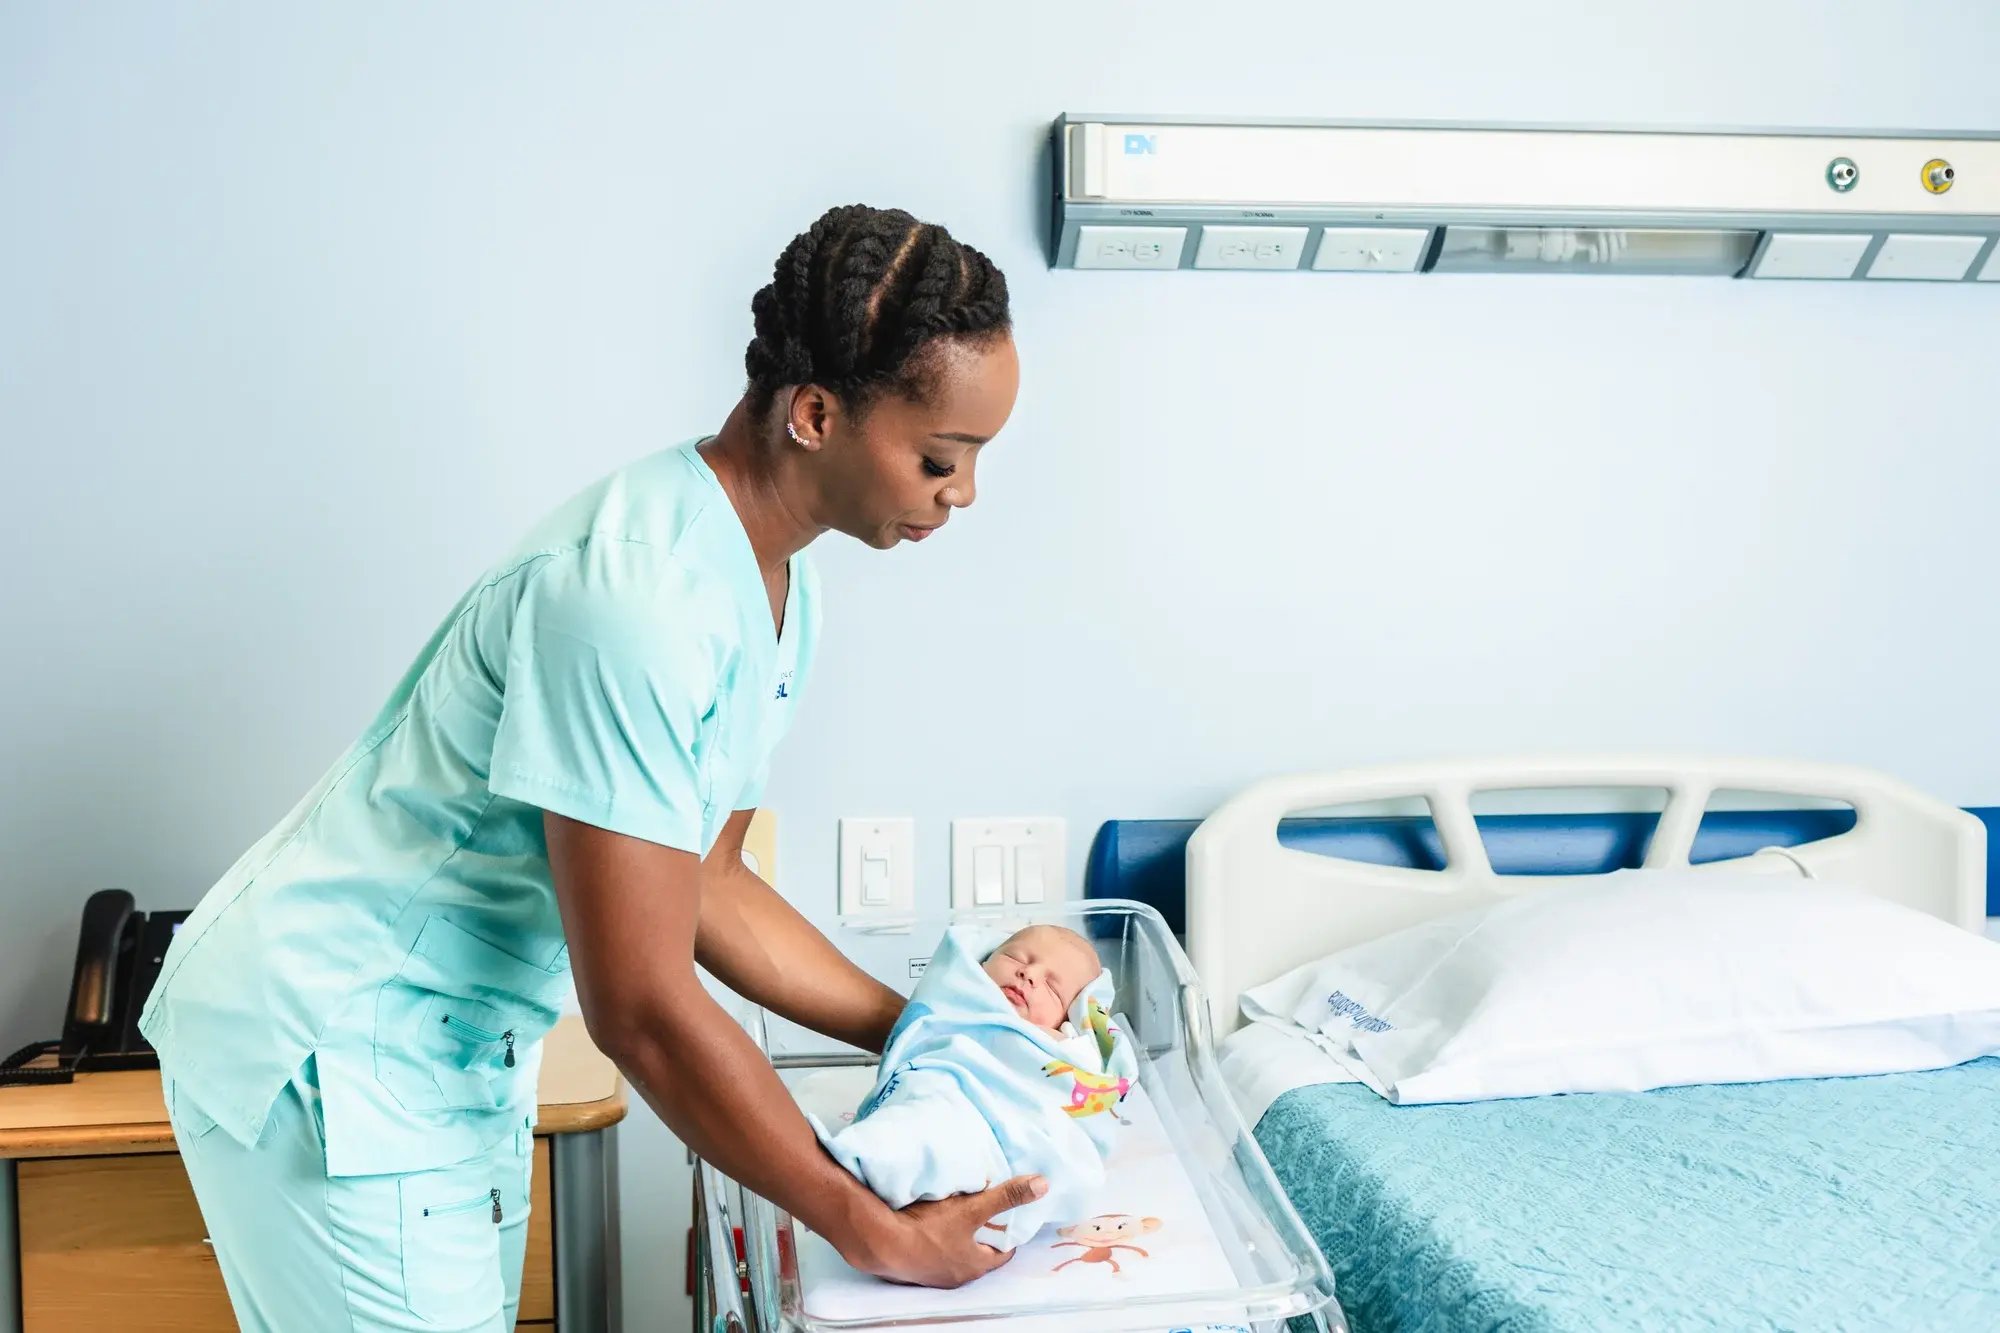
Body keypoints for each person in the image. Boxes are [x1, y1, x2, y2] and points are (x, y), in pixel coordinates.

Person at [137, 203, 1029, 1332]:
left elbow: (706, 880)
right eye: (940, 457)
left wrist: (931, 1028)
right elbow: (643, 1006)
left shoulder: (777, 586)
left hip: (447, 1055)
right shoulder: (634, 600)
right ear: (815, 413)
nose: (962, 494)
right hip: (336, 1045)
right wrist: (870, 1225)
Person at [813, 924, 1139, 1251]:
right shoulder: (954, 1001)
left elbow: (1084, 1091)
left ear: (1071, 1017)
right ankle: (864, 1165)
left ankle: (900, 1178)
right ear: (981, 964)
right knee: (921, 1117)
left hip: (1009, 1131)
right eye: (1016, 957)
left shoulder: (1067, 1046)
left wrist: (1069, 1046)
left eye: (1053, 988)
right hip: (943, 1088)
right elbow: (928, 1035)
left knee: (965, 1148)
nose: (1029, 974)